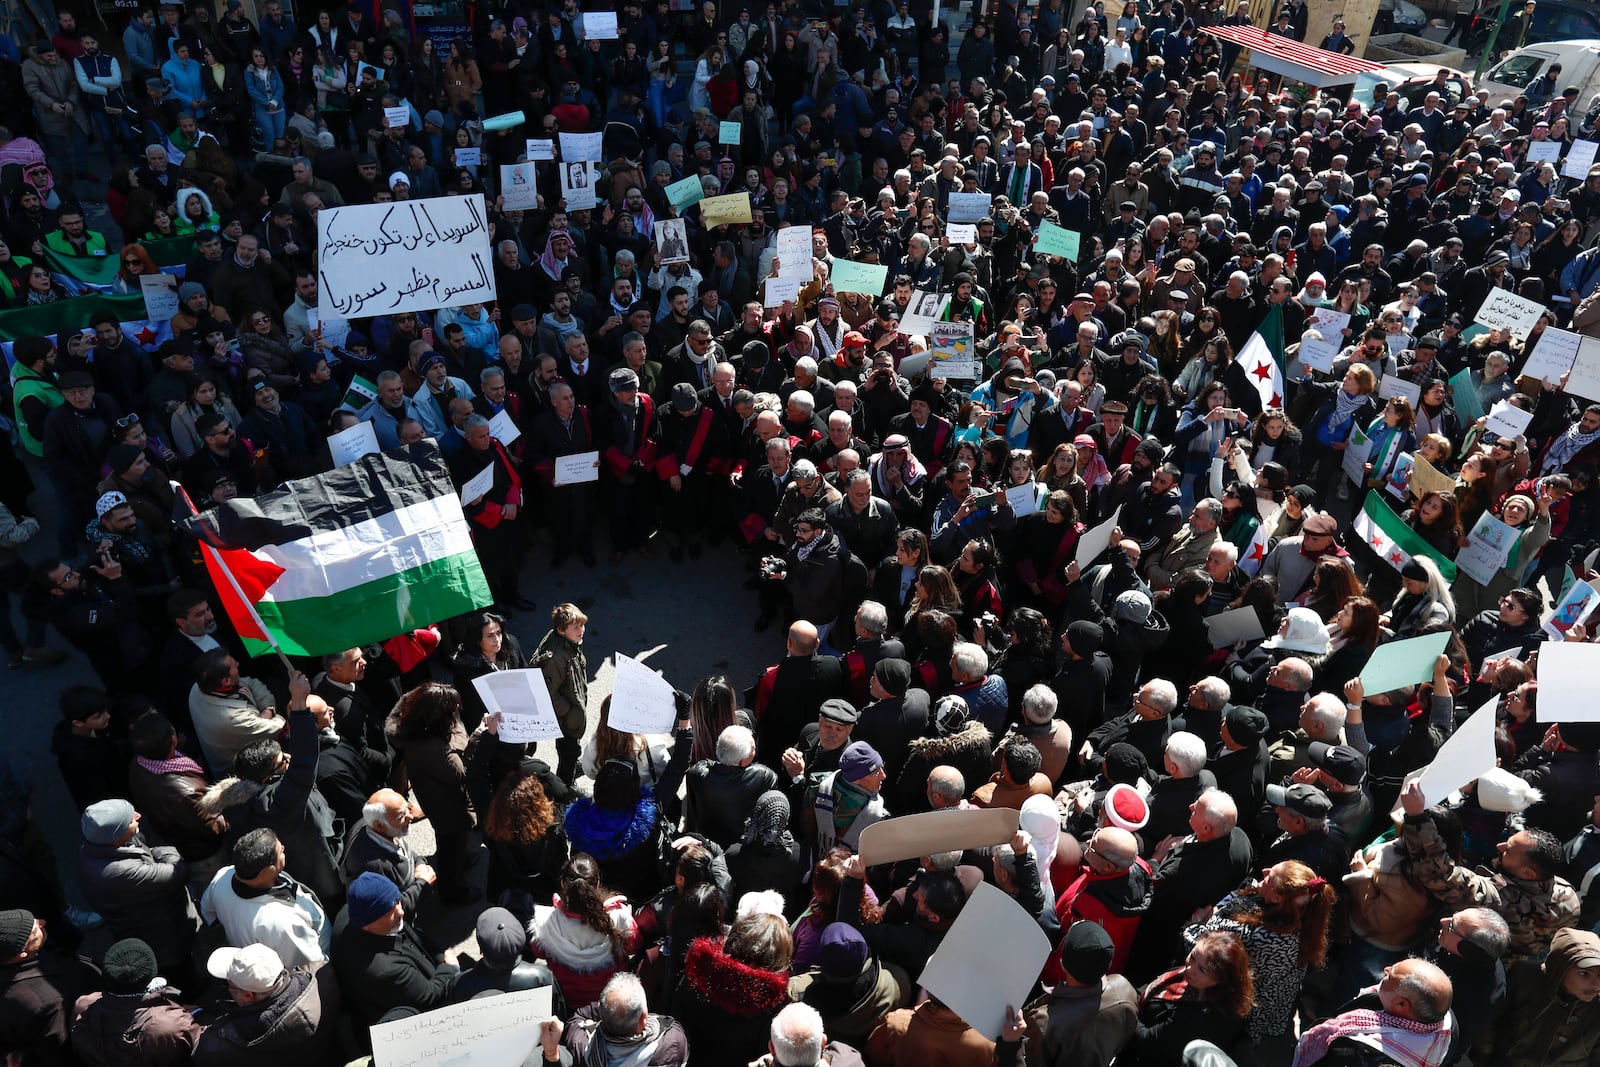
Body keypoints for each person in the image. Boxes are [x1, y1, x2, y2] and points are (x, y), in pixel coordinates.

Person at [332, 871, 462, 1029]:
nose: (400, 911)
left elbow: (398, 906)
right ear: (369, 923)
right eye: (389, 911)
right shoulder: (386, 970)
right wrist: (450, 967)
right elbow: (430, 996)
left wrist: (422, 884)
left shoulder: (352, 912)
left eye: (397, 901)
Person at [193, 941, 342, 1067]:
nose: (226, 988)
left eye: (227, 984)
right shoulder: (323, 975)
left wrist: (197, 1016)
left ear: (247, 996)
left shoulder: (221, 1044)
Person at [200, 828, 331, 966]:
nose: (284, 849)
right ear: (269, 870)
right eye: (280, 851)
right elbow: (311, 964)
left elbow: (208, 911)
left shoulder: (222, 877)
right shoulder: (283, 923)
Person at [70, 938, 201, 1067]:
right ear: (152, 973)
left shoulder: (84, 1006)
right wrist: (189, 1017)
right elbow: (197, 1051)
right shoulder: (169, 1026)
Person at [559, 972, 689, 1065]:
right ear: (644, 1018)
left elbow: (578, 1017)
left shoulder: (583, 1045)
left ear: (599, 1009)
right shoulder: (671, 1042)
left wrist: (607, 1009)